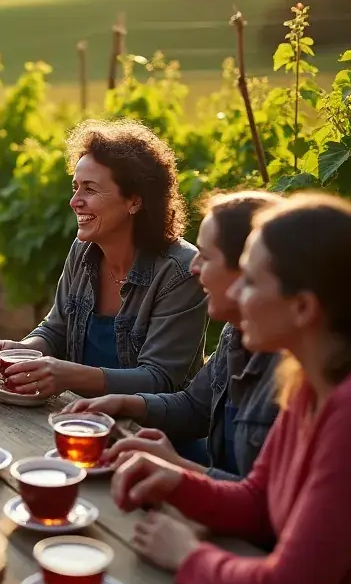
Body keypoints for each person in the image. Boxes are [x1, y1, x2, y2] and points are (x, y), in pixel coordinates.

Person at [87, 194, 351, 584]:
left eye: (253, 282)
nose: (235, 291)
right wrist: (174, 480)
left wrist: (186, 554)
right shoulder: (306, 381)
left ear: (303, 308)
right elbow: (257, 499)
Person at [62, 190, 282, 479]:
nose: (194, 266)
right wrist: (125, 403)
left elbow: (263, 501)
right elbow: (194, 406)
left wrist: (176, 468)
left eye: (205, 256)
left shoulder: (293, 373)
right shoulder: (236, 335)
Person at [0, 119, 207, 400]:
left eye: (89, 189)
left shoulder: (179, 272)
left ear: (134, 201)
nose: (74, 201)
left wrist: (67, 375)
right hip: (83, 419)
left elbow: (160, 380)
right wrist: (21, 351)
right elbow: (56, 329)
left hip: (153, 436)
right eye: (75, 187)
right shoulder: (83, 251)